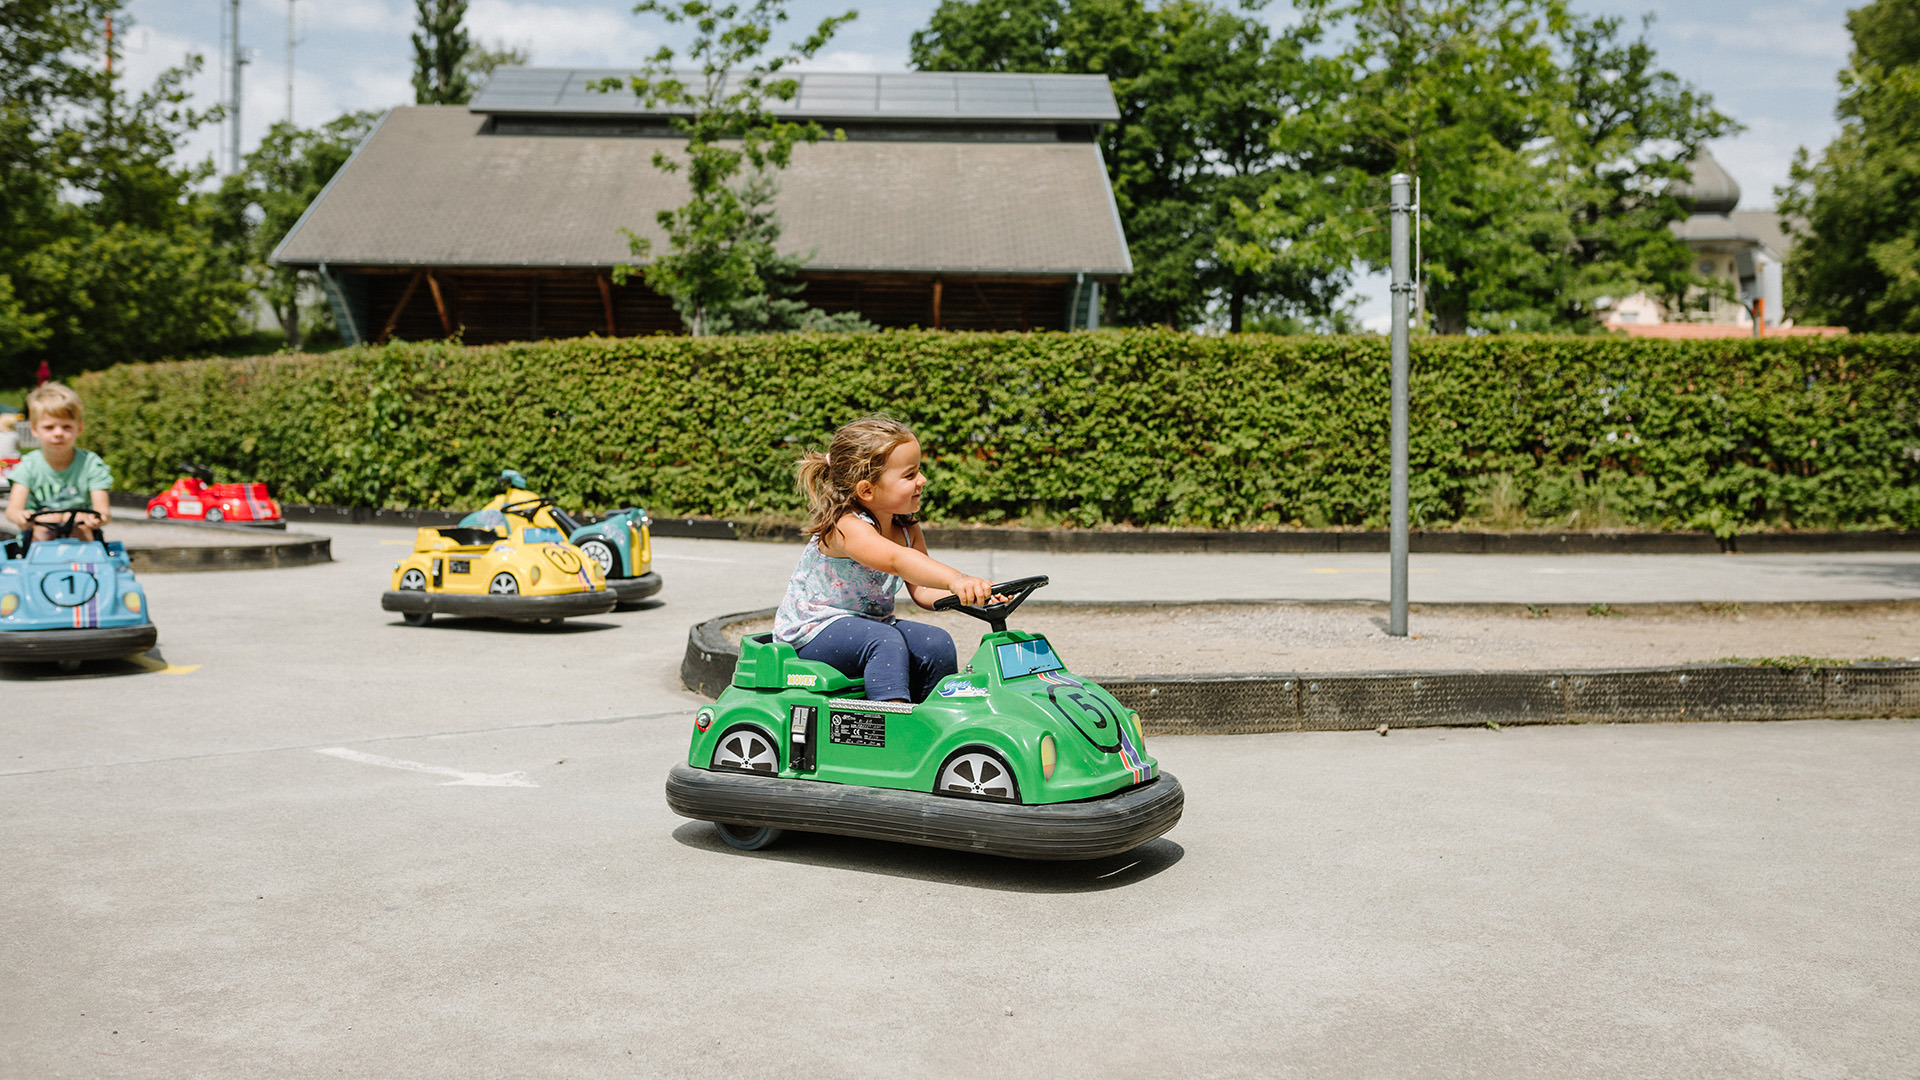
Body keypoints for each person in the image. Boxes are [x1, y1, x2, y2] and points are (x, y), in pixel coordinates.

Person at [773, 417, 997, 703]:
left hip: (870, 625)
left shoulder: (907, 529)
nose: (922, 480)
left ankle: (938, 720)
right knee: (884, 642)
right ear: (866, 490)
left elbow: (923, 589)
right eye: (910, 475)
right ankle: (890, 728)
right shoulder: (846, 527)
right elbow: (896, 560)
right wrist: (957, 578)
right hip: (813, 631)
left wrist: (975, 593)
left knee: (936, 643)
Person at [5, 382, 112, 544]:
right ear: (34, 429)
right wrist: (21, 516)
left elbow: (103, 510)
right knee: (43, 527)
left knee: (80, 527)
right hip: (39, 533)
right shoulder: (29, 466)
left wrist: (96, 517)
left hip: (80, 529)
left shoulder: (90, 464)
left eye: (66, 427)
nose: (58, 433)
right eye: (49, 427)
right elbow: (13, 510)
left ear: (79, 428)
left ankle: (83, 565)